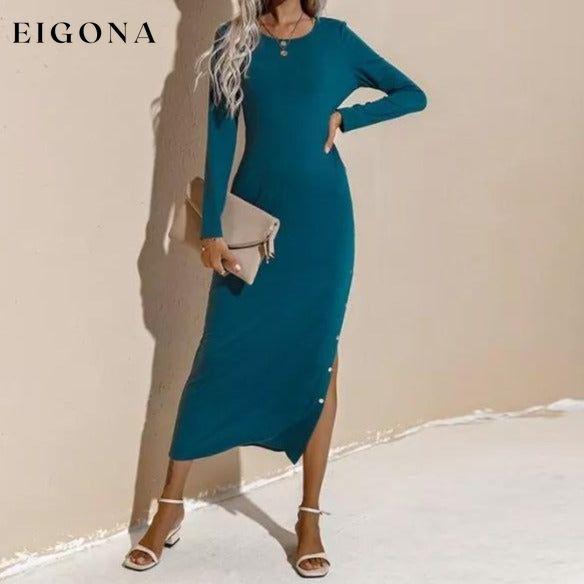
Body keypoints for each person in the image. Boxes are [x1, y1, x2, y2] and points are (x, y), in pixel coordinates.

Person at [124, 0, 426, 577]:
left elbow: (413, 94)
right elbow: (219, 137)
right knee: (216, 356)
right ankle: (169, 506)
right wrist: (211, 228)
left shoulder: (336, 40)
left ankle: (309, 517)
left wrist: (347, 119)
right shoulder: (234, 40)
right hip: (253, 218)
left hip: (322, 225)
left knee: (319, 361)